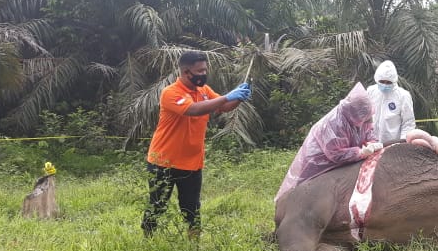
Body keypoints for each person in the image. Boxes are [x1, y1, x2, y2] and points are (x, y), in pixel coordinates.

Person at [142, 50, 251, 238]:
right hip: (163, 161)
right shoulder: (171, 93)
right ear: (186, 72)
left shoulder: (204, 90)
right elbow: (193, 110)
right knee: (157, 205)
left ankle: (194, 247)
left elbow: (223, 107)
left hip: (192, 162)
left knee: (192, 208)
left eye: (205, 69)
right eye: (200, 71)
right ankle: (148, 239)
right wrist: (227, 96)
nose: (204, 73)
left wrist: (239, 97)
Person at [275, 83, 382, 202]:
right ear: (355, 113)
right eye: (365, 117)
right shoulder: (333, 124)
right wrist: (360, 152)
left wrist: (372, 142)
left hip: (343, 160)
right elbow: (336, 154)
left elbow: (368, 131)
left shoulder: (361, 115)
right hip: (318, 160)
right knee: (306, 190)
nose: (368, 119)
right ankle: (290, 204)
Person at [366, 60, 415, 144]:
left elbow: (408, 123)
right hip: (371, 143)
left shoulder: (403, 96)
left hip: (393, 145)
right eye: (382, 81)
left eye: (388, 82)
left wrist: (402, 143)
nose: (385, 85)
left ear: (394, 81)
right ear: (377, 79)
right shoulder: (370, 91)